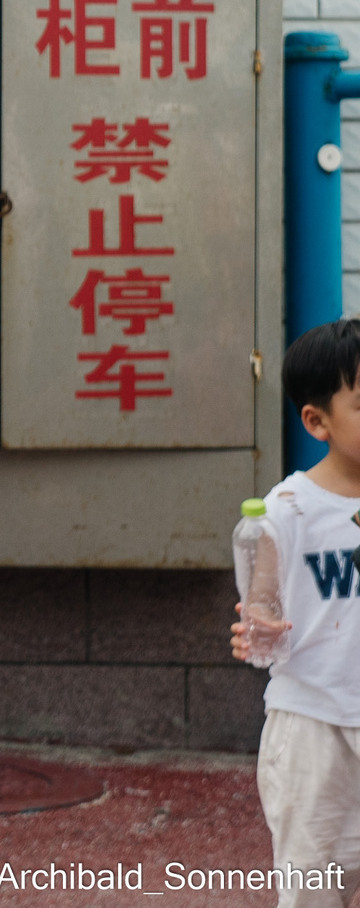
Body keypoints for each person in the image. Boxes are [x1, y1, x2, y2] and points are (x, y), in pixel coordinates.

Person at [234, 319, 360, 908]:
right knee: (315, 886)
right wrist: (257, 629)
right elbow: (262, 606)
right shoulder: (288, 510)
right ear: (317, 421)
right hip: (314, 727)